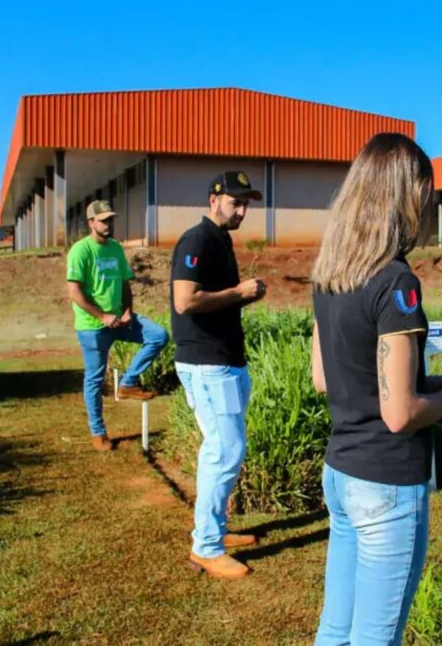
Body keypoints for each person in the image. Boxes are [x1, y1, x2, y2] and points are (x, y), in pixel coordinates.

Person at [310, 133, 442, 645]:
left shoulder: (330, 273)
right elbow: (400, 413)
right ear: (408, 197)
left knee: (336, 630)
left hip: (341, 472)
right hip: (386, 481)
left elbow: (322, 378)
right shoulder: (395, 282)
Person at [172, 172, 267, 579]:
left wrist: (238, 298)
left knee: (224, 449)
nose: (242, 211)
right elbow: (184, 300)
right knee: (224, 451)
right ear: (213, 199)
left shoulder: (220, 240)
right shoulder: (198, 239)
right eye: (235, 202)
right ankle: (206, 547)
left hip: (224, 360)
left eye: (246, 204)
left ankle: (215, 531)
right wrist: (239, 294)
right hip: (207, 364)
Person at [66, 200, 169, 451]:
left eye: (110, 219)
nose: (108, 224)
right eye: (103, 220)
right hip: (93, 327)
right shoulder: (80, 251)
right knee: (94, 379)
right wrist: (102, 317)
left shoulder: (114, 248)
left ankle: (128, 383)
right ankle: (98, 432)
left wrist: (127, 311)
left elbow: (125, 284)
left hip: (120, 319)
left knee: (158, 335)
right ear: (91, 223)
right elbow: (75, 292)